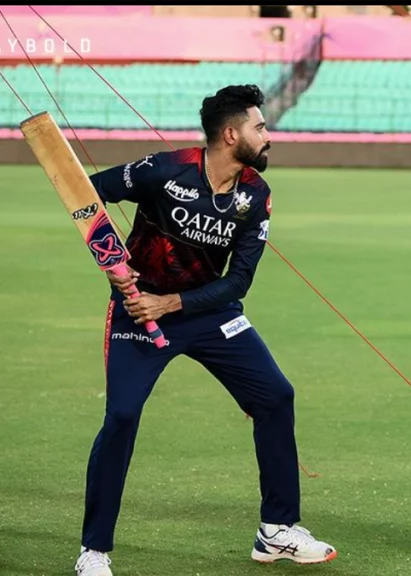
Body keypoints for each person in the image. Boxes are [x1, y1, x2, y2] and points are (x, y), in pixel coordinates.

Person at [74, 84, 337, 576]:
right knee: (123, 417)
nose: (268, 136)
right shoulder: (165, 168)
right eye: (260, 127)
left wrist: (172, 300)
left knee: (275, 396)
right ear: (231, 133)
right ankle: (94, 551)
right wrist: (110, 259)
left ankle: (276, 531)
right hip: (139, 311)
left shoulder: (255, 195)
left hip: (206, 313)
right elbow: (85, 195)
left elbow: (238, 281)